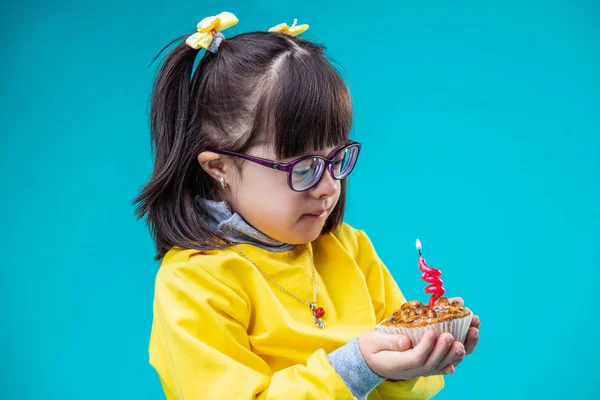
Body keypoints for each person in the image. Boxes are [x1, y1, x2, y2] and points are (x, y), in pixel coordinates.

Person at [134, 12, 480, 400]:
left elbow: (408, 392)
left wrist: (415, 364)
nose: (329, 187)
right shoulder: (194, 282)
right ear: (221, 167)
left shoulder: (350, 249)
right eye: (303, 168)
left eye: (337, 160)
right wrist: (355, 368)